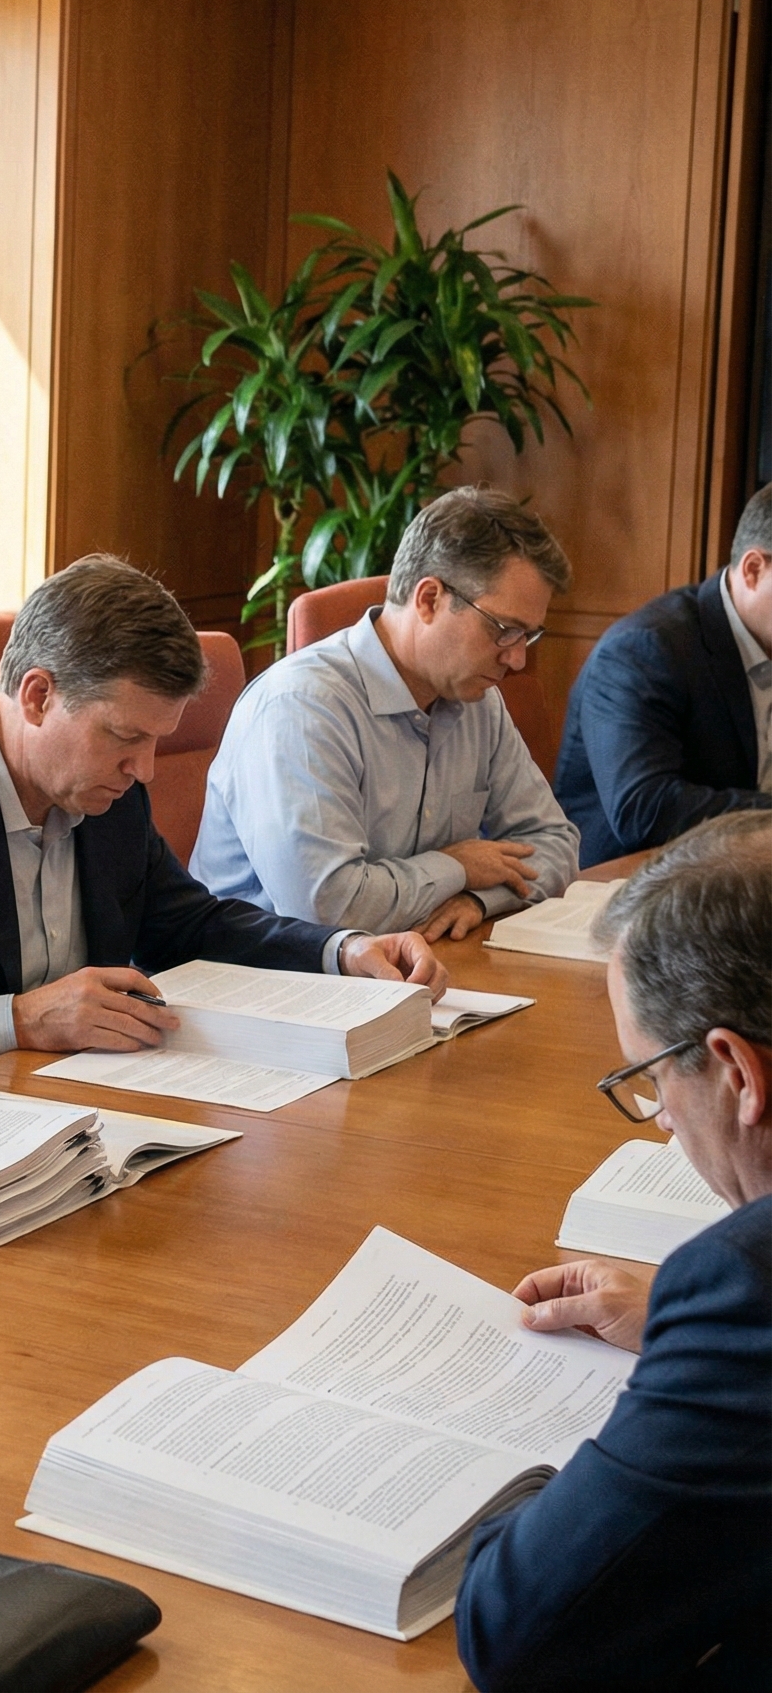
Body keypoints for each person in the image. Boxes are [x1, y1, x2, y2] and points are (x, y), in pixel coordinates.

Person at [0, 554, 445, 1093]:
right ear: (38, 696)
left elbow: (189, 925)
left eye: (156, 741)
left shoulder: (106, 790)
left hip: (78, 1113)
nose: (146, 769)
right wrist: (22, 1019)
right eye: (125, 737)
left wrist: (344, 951)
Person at [456, 812, 772, 1691]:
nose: (665, 1118)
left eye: (654, 1076)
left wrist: (697, 1358)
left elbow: (517, 1636)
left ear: (737, 1073)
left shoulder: (744, 1287)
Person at [189, 487, 579, 939]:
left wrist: (478, 897)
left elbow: (555, 845)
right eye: (504, 630)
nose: (516, 660)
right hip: (268, 982)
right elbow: (326, 907)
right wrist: (456, 867)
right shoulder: (301, 707)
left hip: (406, 967)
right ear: (429, 599)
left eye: (527, 636)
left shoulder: (478, 704)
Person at [554, 482, 772, 865]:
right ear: (754, 570)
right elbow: (644, 810)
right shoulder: (645, 649)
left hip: (737, 868)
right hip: (631, 886)